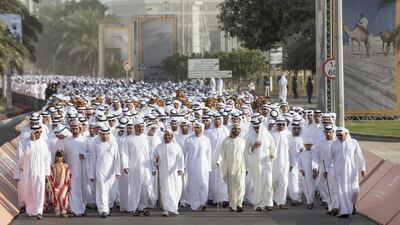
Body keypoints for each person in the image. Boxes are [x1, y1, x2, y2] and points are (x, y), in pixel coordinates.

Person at [327, 127, 366, 218]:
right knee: (341, 191)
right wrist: (326, 169)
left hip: (351, 172)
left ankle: (352, 206)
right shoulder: (334, 145)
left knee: (353, 190)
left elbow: (360, 156)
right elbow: (329, 158)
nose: (339, 137)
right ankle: (344, 211)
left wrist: (363, 168)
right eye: (338, 135)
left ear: (346, 134)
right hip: (339, 172)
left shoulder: (353, 143)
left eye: (341, 135)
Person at [122, 119, 155, 216]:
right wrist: (125, 165)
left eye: (142, 127)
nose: (140, 128)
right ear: (134, 127)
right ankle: (135, 207)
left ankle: (143, 207)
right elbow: (124, 153)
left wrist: (153, 168)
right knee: (135, 187)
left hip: (146, 167)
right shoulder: (128, 139)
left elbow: (152, 154)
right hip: (134, 167)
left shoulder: (147, 138)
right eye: (138, 126)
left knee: (145, 187)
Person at [19, 125, 51, 220]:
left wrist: (47, 174)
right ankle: (30, 210)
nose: (39, 134)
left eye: (40, 132)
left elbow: (46, 159)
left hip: (40, 172)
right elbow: (26, 153)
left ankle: (39, 211)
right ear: (32, 133)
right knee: (29, 191)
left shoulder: (44, 144)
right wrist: (32, 142)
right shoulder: (27, 143)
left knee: (40, 191)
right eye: (37, 132)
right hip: (29, 172)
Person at [90, 127, 121, 218]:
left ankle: (107, 208)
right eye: (102, 134)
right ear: (100, 135)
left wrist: (117, 171)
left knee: (110, 192)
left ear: (109, 134)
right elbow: (93, 160)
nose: (104, 136)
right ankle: (103, 210)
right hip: (100, 171)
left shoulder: (113, 144)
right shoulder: (96, 144)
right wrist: (92, 174)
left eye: (106, 134)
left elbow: (117, 158)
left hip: (111, 172)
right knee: (102, 191)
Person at [216, 124, 247, 212]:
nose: (236, 131)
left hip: (240, 167)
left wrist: (247, 168)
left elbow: (246, 155)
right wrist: (218, 161)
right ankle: (233, 205)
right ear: (231, 130)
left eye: (238, 129)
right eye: (235, 129)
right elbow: (221, 153)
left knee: (241, 185)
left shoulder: (243, 141)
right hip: (229, 167)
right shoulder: (226, 141)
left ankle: (239, 204)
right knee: (231, 188)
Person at [153, 130, 185, 217]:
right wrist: (156, 161)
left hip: (174, 173)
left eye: (169, 135)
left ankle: (174, 208)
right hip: (163, 173)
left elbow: (181, 158)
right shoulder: (159, 147)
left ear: (172, 136)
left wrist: (181, 169)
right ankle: (166, 209)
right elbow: (154, 158)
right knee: (165, 190)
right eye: (165, 135)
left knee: (176, 189)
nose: (167, 137)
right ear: (163, 136)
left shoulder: (177, 146)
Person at [246, 120, 276, 211]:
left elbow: (273, 149)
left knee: (268, 183)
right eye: (255, 127)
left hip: (266, 163)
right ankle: (259, 204)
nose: (256, 129)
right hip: (256, 164)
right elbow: (247, 150)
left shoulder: (268, 136)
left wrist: (272, 155)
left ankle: (269, 203)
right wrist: (253, 147)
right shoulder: (250, 137)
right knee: (257, 184)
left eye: (258, 127)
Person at [183, 121, 212, 211]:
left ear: (202, 128)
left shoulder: (206, 139)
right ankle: (195, 203)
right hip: (192, 165)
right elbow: (183, 153)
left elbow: (209, 154)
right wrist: (183, 166)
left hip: (204, 165)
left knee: (204, 183)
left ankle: (203, 202)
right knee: (193, 184)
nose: (196, 129)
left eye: (198, 128)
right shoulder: (189, 139)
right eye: (195, 128)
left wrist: (209, 167)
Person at [63, 121, 89, 216]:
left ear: (79, 129)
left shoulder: (85, 140)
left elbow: (90, 153)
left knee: (82, 189)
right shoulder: (67, 141)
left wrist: (85, 155)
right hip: (71, 170)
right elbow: (64, 155)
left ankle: (82, 208)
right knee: (73, 189)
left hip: (82, 169)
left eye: (76, 129)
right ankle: (74, 210)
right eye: (73, 129)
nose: (74, 130)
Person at [271, 117, 290, 209]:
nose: (281, 126)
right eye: (279, 124)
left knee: (284, 182)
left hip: (286, 162)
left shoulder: (288, 134)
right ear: (276, 125)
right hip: (273, 162)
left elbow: (291, 150)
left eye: (283, 124)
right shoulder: (271, 134)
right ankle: (272, 199)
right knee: (273, 182)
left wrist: (292, 163)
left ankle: (282, 202)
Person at [49, 150, 72, 218]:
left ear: (63, 157)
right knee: (55, 198)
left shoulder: (65, 166)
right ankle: (58, 211)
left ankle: (64, 211)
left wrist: (68, 184)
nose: (59, 158)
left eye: (60, 156)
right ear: (55, 157)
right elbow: (51, 175)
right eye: (57, 156)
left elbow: (68, 175)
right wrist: (50, 183)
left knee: (63, 197)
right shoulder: (53, 166)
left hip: (63, 185)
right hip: (55, 185)